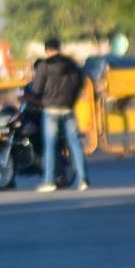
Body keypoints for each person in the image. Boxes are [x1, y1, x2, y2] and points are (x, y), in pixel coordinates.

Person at [28, 37, 90, 193]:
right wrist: (72, 99)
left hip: (50, 110)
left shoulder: (44, 66)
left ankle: (49, 181)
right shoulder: (71, 64)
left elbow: (36, 89)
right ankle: (83, 179)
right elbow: (81, 82)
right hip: (68, 108)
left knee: (50, 145)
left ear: (47, 50)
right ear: (59, 48)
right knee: (75, 144)